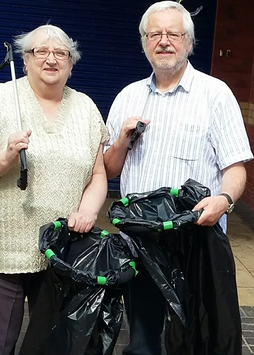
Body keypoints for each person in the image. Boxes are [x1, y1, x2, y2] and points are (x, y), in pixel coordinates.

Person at [103, 1, 253, 354]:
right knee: (142, 339)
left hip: (195, 241)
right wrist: (123, 140)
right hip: (140, 239)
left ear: (189, 41)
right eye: (155, 34)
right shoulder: (128, 96)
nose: (164, 41)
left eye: (174, 33)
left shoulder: (215, 95)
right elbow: (109, 169)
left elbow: (235, 167)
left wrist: (225, 200)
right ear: (144, 42)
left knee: (197, 337)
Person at [0, 24, 108, 355]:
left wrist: (88, 210)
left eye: (61, 53)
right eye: (41, 51)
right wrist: (5, 157)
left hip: (60, 250)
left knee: (52, 343)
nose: (51, 59)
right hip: (1, 247)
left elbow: (98, 174)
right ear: (25, 60)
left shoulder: (85, 108)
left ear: (71, 63)